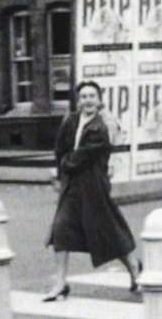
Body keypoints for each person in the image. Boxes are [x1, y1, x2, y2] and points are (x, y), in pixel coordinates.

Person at [43, 81, 139, 302]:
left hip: (94, 186)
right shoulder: (71, 121)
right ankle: (60, 283)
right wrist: (60, 172)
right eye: (84, 96)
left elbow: (84, 154)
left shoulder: (103, 124)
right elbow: (60, 148)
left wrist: (65, 163)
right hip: (72, 187)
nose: (88, 100)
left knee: (109, 231)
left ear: (99, 100)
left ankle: (134, 268)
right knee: (61, 229)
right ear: (79, 101)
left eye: (92, 96)